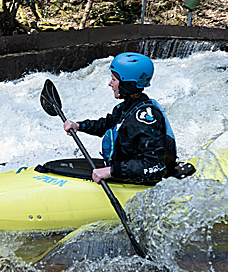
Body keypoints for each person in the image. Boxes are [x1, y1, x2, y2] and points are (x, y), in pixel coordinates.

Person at [63, 52, 177, 184]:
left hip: (139, 180)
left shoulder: (142, 121)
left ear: (127, 84)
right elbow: (107, 124)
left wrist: (111, 171)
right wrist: (79, 126)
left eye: (114, 80)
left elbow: (154, 165)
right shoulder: (128, 107)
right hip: (125, 169)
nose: (110, 84)